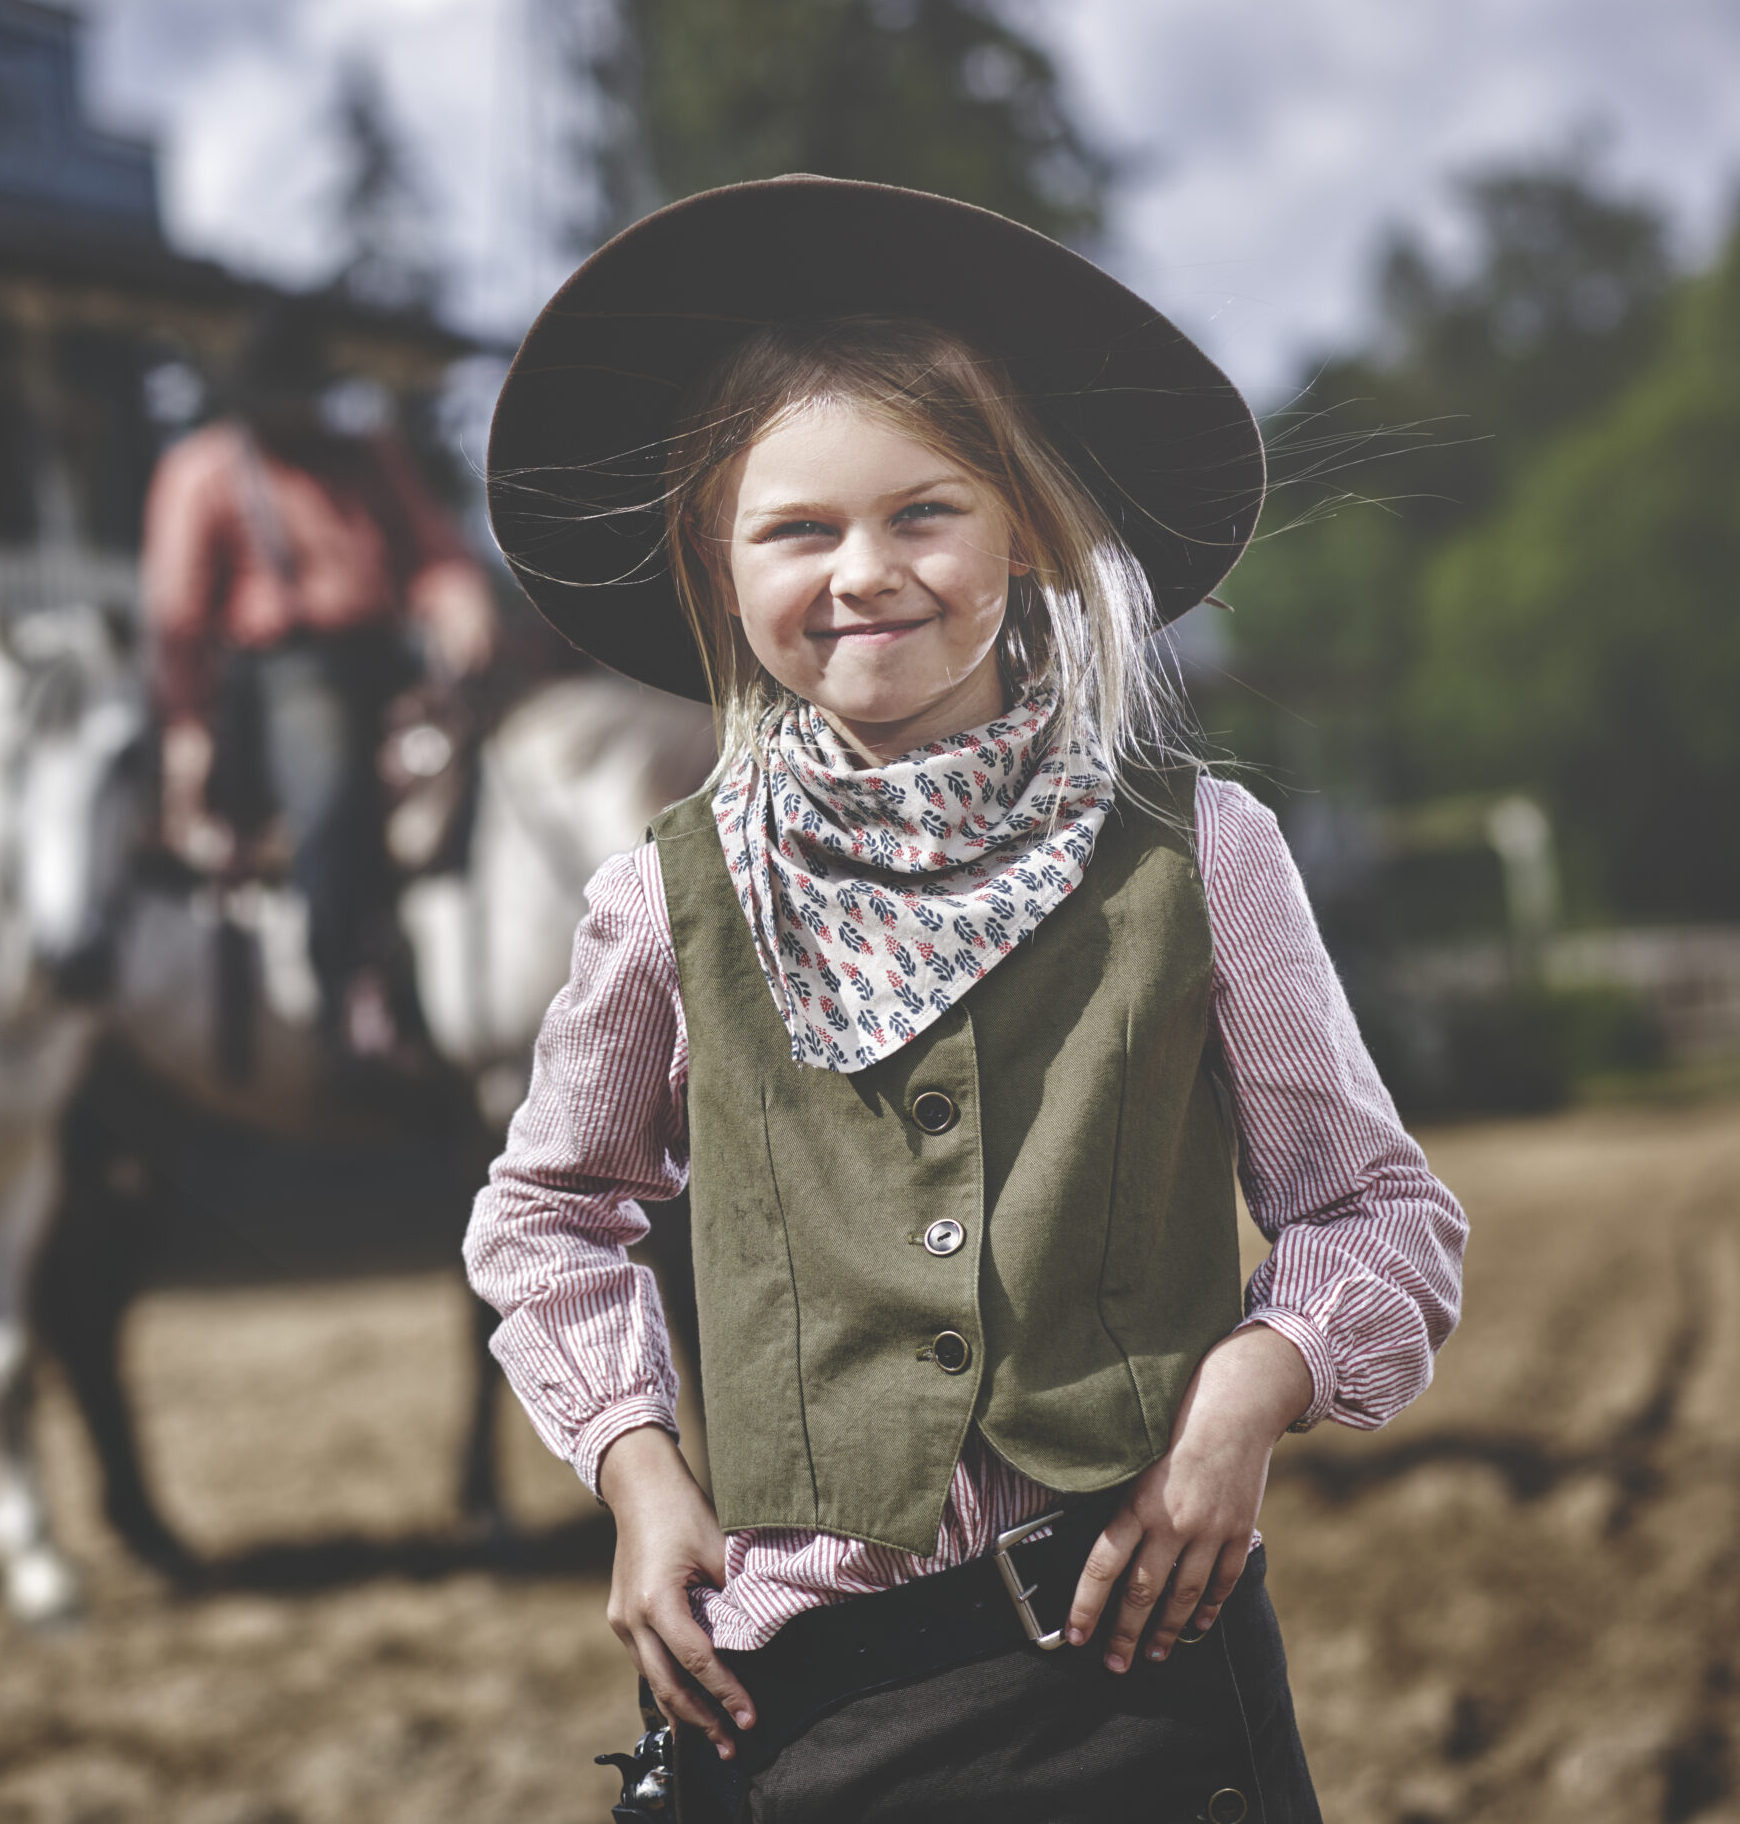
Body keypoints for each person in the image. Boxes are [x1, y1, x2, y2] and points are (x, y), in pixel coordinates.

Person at [463, 179, 1467, 1821]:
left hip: (1151, 1675)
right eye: (798, 528)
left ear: (1026, 529)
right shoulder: (665, 895)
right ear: (719, 567)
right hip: (804, 1708)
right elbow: (549, 1217)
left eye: (924, 511)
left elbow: (1377, 1213)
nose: (866, 573)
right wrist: (640, 1472)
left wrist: (1243, 1397)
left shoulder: (1205, 853)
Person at [140, 299, 496, 1066]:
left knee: (509, 747)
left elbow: (433, 552)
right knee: (333, 794)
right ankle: (347, 995)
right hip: (283, 673)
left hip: (385, 654)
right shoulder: (205, 470)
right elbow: (178, 618)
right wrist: (187, 730)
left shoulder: (368, 455)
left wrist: (459, 605)